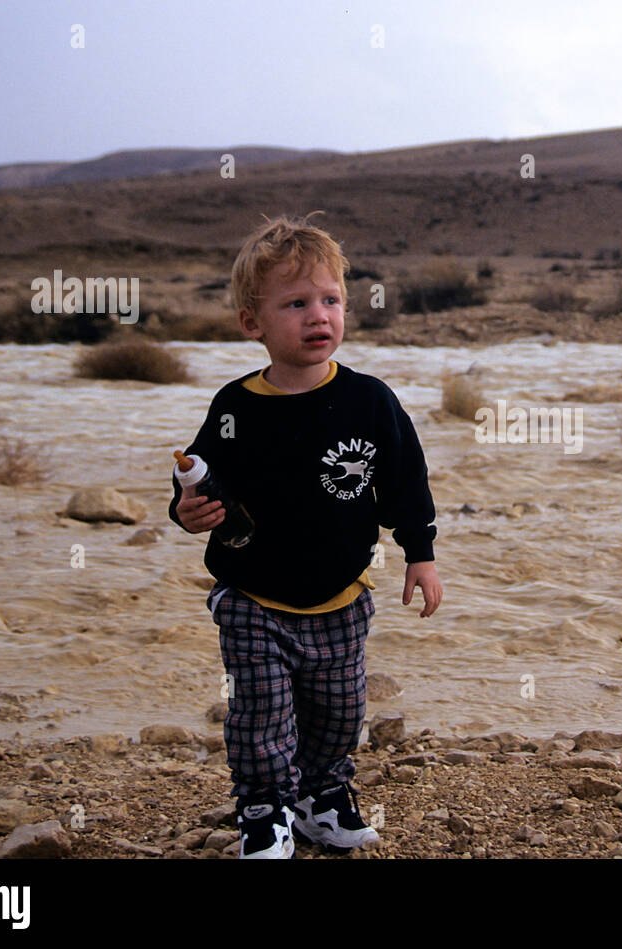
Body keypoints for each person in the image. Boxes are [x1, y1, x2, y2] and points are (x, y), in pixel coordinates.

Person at [168, 213, 442, 858]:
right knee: (260, 713)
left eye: (330, 300)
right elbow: (200, 487)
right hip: (252, 596)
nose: (318, 315)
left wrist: (420, 556)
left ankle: (323, 797)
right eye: (296, 303)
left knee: (339, 713)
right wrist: (186, 511)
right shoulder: (235, 407)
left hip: (342, 594)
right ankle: (264, 810)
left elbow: (406, 481)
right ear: (252, 322)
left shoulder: (370, 401)